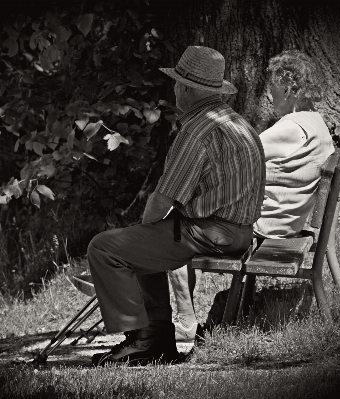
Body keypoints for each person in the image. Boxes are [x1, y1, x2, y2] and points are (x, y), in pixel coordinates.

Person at [87, 46, 266, 366]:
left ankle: (145, 340)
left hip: (214, 230)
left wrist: (141, 233)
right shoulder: (237, 121)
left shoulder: (197, 130)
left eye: (176, 84)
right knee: (143, 242)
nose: (174, 90)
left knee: (106, 246)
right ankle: (154, 338)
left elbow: (163, 198)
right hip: (240, 231)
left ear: (184, 88)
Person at [169, 49, 335, 337]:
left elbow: (238, 154)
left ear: (288, 88)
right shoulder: (316, 123)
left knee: (172, 226)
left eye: (271, 89)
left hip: (264, 228)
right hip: (285, 222)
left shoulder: (291, 129)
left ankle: (185, 318)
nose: (269, 96)